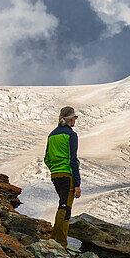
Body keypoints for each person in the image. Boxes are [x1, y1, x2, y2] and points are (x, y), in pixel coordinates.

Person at [45, 106, 81, 247]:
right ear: (71, 119)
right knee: (65, 208)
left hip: (56, 175)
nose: (75, 121)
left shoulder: (52, 135)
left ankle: (56, 238)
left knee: (62, 204)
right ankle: (59, 242)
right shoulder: (71, 135)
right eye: (75, 118)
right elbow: (73, 160)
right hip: (67, 175)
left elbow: (46, 158)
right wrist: (77, 183)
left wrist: (54, 168)